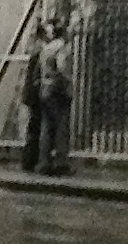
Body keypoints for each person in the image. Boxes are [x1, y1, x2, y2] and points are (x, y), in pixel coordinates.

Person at [35, 15, 73, 175]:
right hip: (58, 90)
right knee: (61, 126)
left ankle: (43, 162)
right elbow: (62, 67)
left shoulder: (46, 48)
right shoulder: (61, 47)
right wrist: (69, 84)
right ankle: (61, 162)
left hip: (45, 88)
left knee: (46, 127)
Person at [18, 19, 46, 173]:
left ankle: (29, 160)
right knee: (35, 128)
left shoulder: (34, 49)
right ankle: (29, 161)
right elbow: (35, 77)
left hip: (31, 94)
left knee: (33, 128)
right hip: (35, 95)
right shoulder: (39, 51)